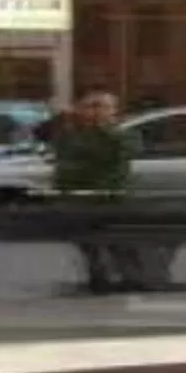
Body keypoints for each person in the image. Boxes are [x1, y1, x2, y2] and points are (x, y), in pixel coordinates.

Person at [47, 88, 152, 294]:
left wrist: (103, 127)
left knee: (119, 243)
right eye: (89, 107)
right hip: (79, 199)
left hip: (112, 197)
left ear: (114, 110)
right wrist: (63, 118)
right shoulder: (72, 134)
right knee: (88, 243)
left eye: (101, 107)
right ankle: (99, 279)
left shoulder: (124, 133)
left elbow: (128, 151)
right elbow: (60, 154)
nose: (94, 112)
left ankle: (132, 278)